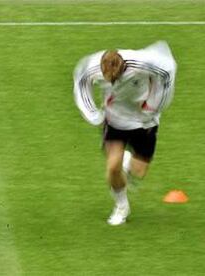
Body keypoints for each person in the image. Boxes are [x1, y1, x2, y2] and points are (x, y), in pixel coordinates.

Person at [73, 41, 177, 225]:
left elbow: (168, 70)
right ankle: (121, 207)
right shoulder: (93, 66)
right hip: (115, 120)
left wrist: (154, 105)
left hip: (144, 120)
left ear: (123, 67)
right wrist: (94, 115)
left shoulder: (143, 62)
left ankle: (127, 161)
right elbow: (81, 81)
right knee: (113, 167)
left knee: (138, 172)